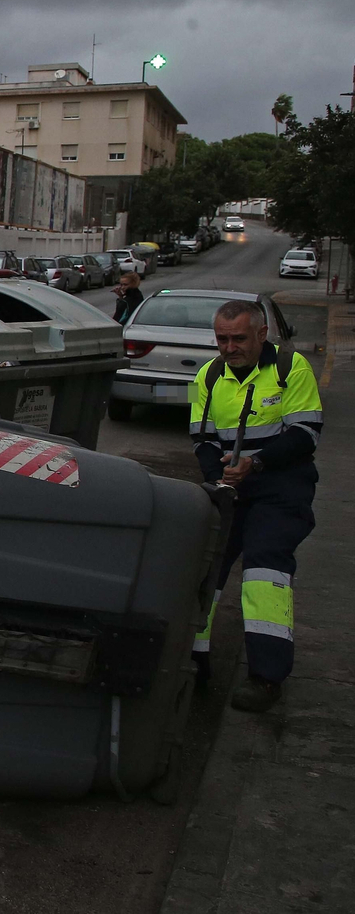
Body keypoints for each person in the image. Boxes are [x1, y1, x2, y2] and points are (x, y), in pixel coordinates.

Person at [190, 300, 322, 711]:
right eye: (222, 339)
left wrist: (256, 463)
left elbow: (306, 433)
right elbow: (202, 438)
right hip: (230, 487)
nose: (229, 348)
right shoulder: (208, 375)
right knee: (203, 565)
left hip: (281, 487)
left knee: (264, 569)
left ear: (262, 334)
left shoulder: (291, 367)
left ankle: (266, 677)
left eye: (239, 338)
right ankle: (193, 661)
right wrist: (218, 474)